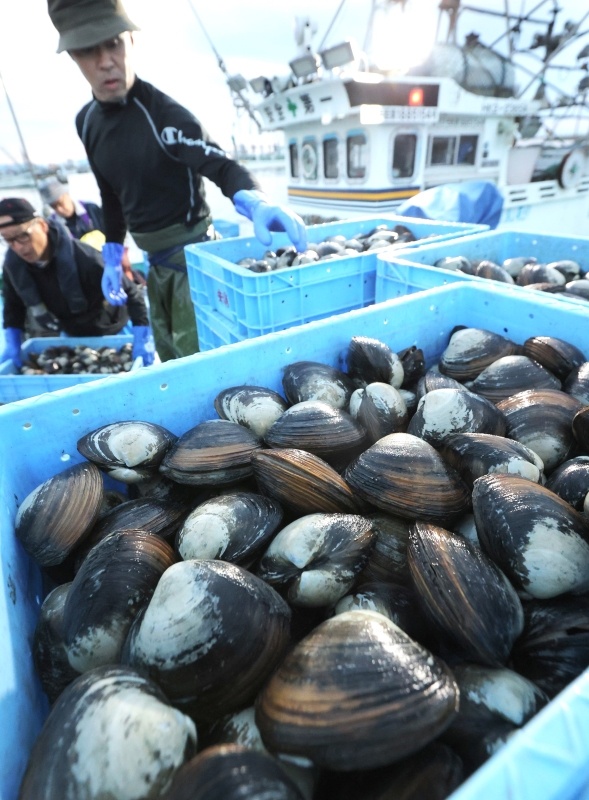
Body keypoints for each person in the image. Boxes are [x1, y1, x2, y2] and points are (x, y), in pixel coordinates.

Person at [46, 0, 308, 362]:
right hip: (154, 266)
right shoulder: (86, 122)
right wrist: (111, 253)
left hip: (193, 265)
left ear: (132, 41)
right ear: (73, 56)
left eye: (114, 43)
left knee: (199, 360)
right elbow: (111, 192)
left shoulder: (165, 117)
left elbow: (221, 166)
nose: (106, 60)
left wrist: (254, 200)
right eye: (89, 50)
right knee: (168, 355)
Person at [0, 197, 154, 367]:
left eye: (23, 236)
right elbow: (13, 306)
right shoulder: (14, 267)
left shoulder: (86, 258)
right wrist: (12, 341)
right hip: (71, 335)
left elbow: (133, 294)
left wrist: (142, 337)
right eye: (9, 240)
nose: (19, 247)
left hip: (116, 330)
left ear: (42, 226)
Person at [39, 175, 104, 240]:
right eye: (53, 207)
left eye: (60, 203)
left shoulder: (91, 208)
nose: (59, 209)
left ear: (67, 193)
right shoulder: (53, 226)